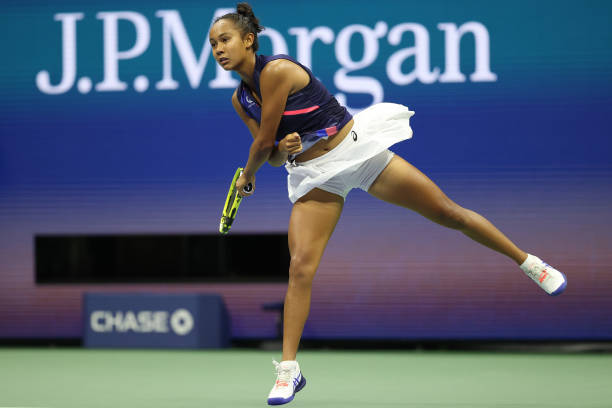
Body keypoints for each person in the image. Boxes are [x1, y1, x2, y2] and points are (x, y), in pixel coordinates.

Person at [209, 3, 567, 406]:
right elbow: (273, 152)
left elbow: (260, 147)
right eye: (213, 45)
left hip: (357, 154)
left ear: (249, 40)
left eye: (225, 40)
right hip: (314, 178)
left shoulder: (276, 71)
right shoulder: (241, 100)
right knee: (300, 268)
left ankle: (528, 262)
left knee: (447, 212)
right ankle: (289, 371)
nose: (219, 49)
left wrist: (248, 173)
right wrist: (281, 150)